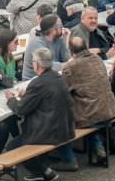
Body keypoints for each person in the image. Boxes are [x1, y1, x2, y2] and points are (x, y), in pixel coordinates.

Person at [6, 47, 75, 181]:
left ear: (37, 64)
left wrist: (10, 99)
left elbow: (20, 109)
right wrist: (28, 94)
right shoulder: (57, 77)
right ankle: (41, 169)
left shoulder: (38, 83)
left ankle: (43, 171)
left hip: (48, 131)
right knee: (23, 141)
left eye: (33, 62)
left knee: (12, 147)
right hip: (64, 126)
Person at [62, 36, 115, 164]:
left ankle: (98, 147)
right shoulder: (97, 59)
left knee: (78, 108)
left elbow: (64, 92)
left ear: (71, 52)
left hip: (92, 115)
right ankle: (108, 143)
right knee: (92, 102)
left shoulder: (70, 67)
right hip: (110, 108)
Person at [22, 14, 70, 80]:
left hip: (51, 77)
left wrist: (66, 41)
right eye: (60, 26)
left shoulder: (59, 40)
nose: (63, 28)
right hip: (32, 81)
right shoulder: (36, 42)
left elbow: (67, 59)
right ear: (52, 30)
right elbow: (48, 66)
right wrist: (68, 64)